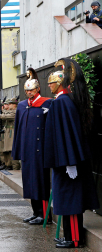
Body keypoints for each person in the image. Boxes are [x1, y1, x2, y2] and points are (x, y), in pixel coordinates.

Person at [44, 59, 99, 248]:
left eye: (51, 83)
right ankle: (68, 235)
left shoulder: (63, 102)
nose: (49, 86)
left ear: (58, 83)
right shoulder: (62, 101)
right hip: (65, 160)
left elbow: (67, 134)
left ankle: (74, 238)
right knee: (65, 200)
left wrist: (70, 162)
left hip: (69, 161)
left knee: (71, 200)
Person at [12, 68, 52, 226]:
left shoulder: (47, 103)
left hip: (39, 150)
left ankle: (44, 215)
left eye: (32, 90)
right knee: (29, 182)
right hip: (27, 151)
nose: (29, 92)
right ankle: (35, 212)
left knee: (40, 183)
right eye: (27, 90)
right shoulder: (22, 106)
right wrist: (18, 150)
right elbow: (18, 130)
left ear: (38, 89)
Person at [0, 98, 21, 170]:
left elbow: (5, 116)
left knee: (11, 149)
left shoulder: (15, 112)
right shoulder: (10, 111)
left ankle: (15, 167)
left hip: (12, 131)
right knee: (7, 150)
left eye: (10, 104)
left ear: (14, 105)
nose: (8, 105)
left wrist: (0, 115)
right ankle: (8, 165)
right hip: (8, 130)